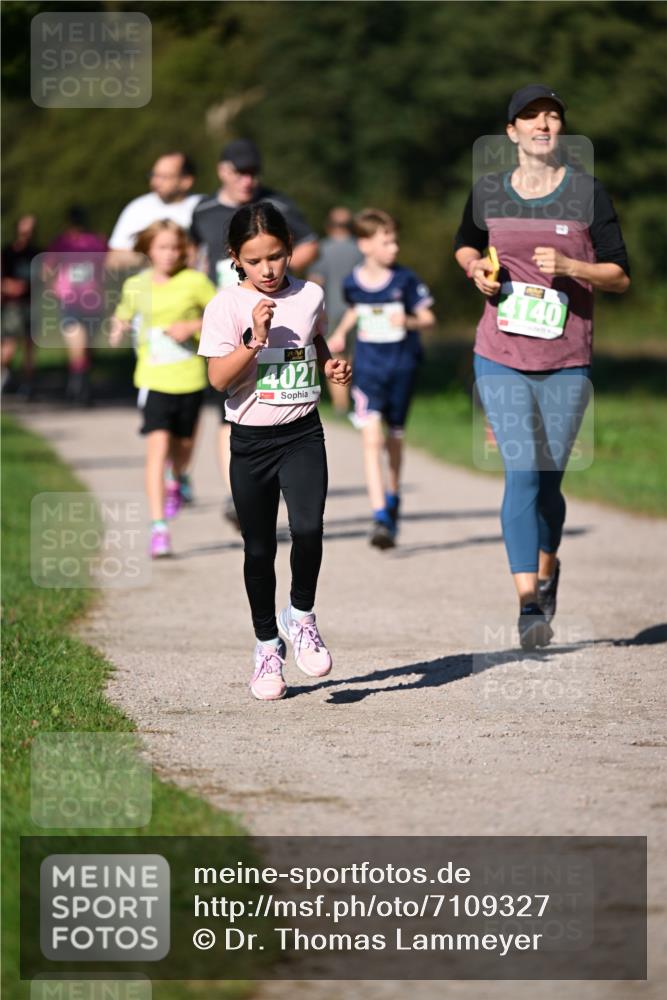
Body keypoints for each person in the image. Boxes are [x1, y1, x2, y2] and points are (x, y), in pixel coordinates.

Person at [454, 83, 630, 650]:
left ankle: (549, 571)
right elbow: (465, 243)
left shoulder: (587, 192)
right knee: (522, 472)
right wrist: (476, 272)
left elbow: (620, 275)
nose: (543, 125)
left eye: (553, 116)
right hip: (499, 354)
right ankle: (528, 602)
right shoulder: (488, 191)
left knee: (550, 480)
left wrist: (576, 264)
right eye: (531, 118)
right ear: (512, 132)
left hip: (566, 359)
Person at [198, 201, 351, 701]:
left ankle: (301, 615)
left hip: (302, 433)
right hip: (251, 442)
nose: (268, 269)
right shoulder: (225, 306)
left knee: (308, 529)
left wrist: (329, 367)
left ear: (289, 251)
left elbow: (317, 339)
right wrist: (256, 339)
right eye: (256, 259)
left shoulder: (310, 295)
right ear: (235, 257)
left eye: (277, 256)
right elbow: (220, 379)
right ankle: (267, 646)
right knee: (259, 549)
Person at [191, 139, 319, 529]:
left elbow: (310, 243)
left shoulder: (278, 205)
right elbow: (192, 253)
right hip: (220, 314)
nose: (248, 180)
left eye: (253, 173)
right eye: (240, 172)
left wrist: (279, 273)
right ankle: (237, 491)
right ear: (223, 171)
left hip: (273, 310)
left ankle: (265, 486)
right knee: (225, 406)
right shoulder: (204, 211)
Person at [328, 209, 435, 549]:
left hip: (402, 367)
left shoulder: (405, 280)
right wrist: (340, 335)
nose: (394, 248)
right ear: (365, 244)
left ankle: (393, 496)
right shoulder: (352, 283)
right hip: (369, 370)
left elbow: (428, 318)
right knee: (371, 440)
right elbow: (354, 310)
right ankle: (379, 517)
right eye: (386, 241)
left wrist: (409, 323)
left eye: (395, 241)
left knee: (394, 440)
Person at [110, 221, 216, 558]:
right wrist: (117, 326)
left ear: (184, 249)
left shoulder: (196, 282)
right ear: (148, 250)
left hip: (190, 378)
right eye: (162, 247)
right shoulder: (135, 285)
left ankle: (178, 477)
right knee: (156, 449)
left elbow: (221, 316)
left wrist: (192, 325)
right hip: (153, 380)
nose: (169, 254)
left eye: (175, 247)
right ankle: (158, 529)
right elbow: (123, 314)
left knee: (183, 448)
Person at [44, 205, 107, 405]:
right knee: (77, 344)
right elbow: (47, 267)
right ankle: (79, 388)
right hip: (70, 301)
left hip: (92, 301)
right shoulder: (61, 242)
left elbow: (107, 266)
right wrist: (52, 287)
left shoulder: (96, 242)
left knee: (87, 347)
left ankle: (79, 383)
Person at [308, 206, 363, 415]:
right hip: (357, 310)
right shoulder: (360, 248)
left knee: (335, 356)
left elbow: (316, 281)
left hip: (330, 309)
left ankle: (342, 407)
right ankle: (356, 402)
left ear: (328, 225)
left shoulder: (321, 248)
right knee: (354, 356)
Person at [106, 153, 202, 270]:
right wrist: (154, 256)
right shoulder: (138, 208)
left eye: (165, 177)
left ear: (186, 181)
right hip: (150, 287)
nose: (155, 182)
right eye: (154, 175)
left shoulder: (203, 207)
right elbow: (114, 259)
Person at [1, 214, 39, 394]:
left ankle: (28, 384)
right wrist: (13, 286)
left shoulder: (36, 253)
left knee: (30, 347)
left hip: (32, 303)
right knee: (9, 346)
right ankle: (4, 374)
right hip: (13, 305)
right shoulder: (8, 252)